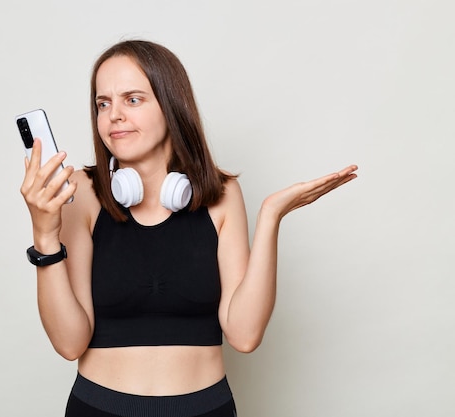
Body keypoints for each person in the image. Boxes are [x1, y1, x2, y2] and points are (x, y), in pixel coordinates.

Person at [20, 40, 358, 417]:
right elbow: (69, 343)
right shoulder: (81, 192)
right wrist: (45, 236)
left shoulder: (223, 193)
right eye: (103, 103)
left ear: (171, 104)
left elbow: (244, 336)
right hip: (99, 407)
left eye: (133, 99)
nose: (114, 114)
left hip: (206, 408)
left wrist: (270, 216)